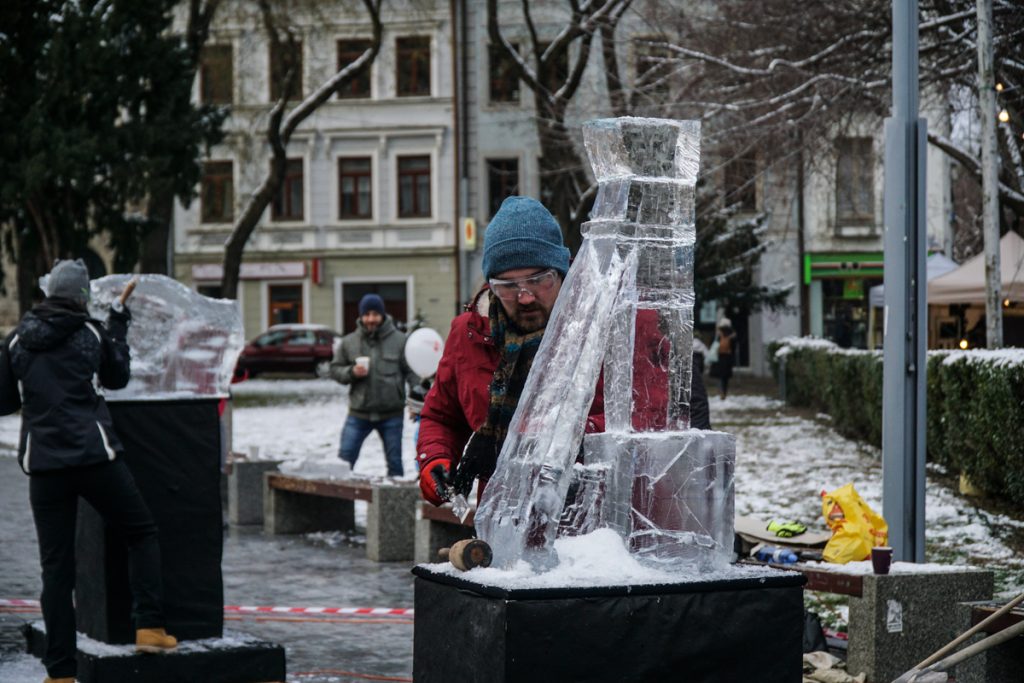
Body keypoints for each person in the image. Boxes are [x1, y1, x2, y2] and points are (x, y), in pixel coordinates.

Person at [416, 196, 710, 507]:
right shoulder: (470, 334)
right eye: (507, 286)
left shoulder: (618, 321)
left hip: (607, 521)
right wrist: (436, 460)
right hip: (507, 521)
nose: (525, 297)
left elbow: (655, 416)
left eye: (538, 280)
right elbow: (441, 415)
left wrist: (539, 441)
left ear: (561, 271)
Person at [0, 260, 177, 683]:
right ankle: (149, 626)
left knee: (56, 571)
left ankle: (60, 673)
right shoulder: (90, 333)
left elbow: (4, 403)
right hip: (95, 459)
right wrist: (118, 324)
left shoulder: (16, 341)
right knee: (140, 532)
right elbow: (117, 377)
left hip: (45, 467)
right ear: (81, 298)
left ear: (47, 295)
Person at [331, 293, 417, 477]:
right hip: (359, 413)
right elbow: (335, 370)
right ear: (361, 316)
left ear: (382, 315)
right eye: (367, 314)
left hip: (391, 414)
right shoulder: (349, 342)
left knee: (395, 464)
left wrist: (416, 399)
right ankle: (337, 503)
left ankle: (396, 504)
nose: (371, 319)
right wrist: (351, 372)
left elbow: (412, 372)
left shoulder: (400, 341)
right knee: (344, 462)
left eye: (375, 314)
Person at [711, 317, 738, 399]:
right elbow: (734, 347)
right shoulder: (732, 336)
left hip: (720, 357)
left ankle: (721, 392)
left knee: (720, 376)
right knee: (725, 377)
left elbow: (714, 344)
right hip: (727, 358)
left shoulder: (719, 335)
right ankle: (723, 392)